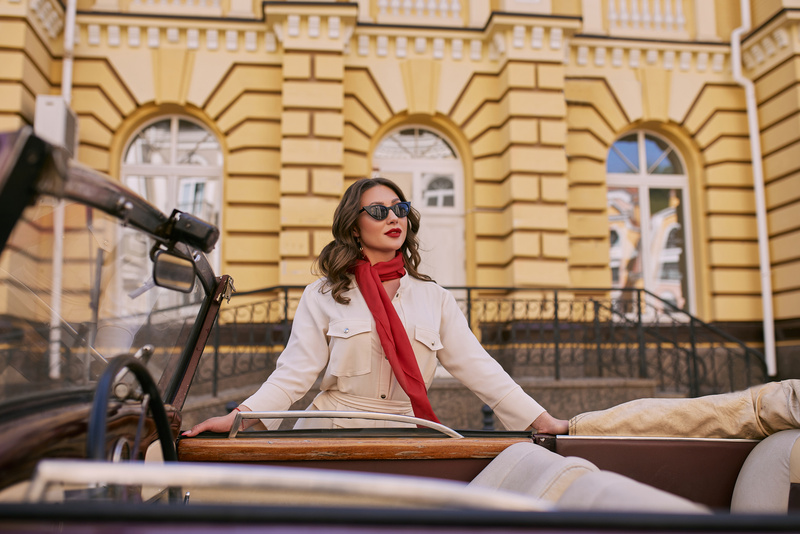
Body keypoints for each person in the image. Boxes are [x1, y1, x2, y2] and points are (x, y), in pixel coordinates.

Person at [183, 177, 568, 436]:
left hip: (405, 435)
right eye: (379, 211)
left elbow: (480, 368)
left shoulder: (434, 298)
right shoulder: (323, 294)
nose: (393, 218)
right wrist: (239, 419)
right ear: (355, 227)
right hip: (328, 434)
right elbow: (294, 375)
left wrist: (542, 420)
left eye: (399, 209)